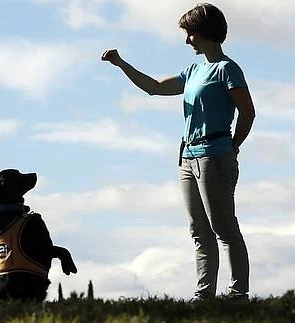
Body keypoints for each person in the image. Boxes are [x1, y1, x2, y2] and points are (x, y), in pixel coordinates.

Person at [101, 2, 256, 301]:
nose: (187, 40)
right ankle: (204, 296)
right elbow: (154, 87)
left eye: (190, 33)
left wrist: (233, 146)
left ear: (205, 32)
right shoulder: (194, 70)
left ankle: (238, 296)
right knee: (199, 231)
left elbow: (247, 112)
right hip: (187, 158)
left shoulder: (227, 69)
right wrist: (122, 64)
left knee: (224, 227)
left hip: (215, 155)